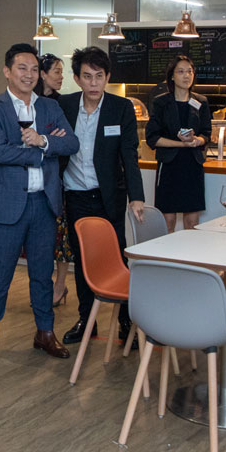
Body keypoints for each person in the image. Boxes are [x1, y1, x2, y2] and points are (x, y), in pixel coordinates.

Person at [0, 43, 79, 366]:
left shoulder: (49, 107)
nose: (29, 75)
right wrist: (45, 151)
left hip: (43, 204)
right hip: (6, 206)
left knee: (42, 274)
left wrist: (43, 140)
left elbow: (71, 143)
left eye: (34, 69)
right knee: (0, 274)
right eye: (22, 68)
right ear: (7, 71)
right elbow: (0, 153)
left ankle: (45, 332)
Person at [57, 47, 146, 346]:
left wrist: (136, 196)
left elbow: (129, 154)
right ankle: (87, 320)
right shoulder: (64, 105)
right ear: (76, 78)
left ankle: (125, 321)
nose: (93, 83)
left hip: (109, 196)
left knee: (116, 256)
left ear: (107, 77)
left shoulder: (120, 108)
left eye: (99, 76)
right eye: (87, 76)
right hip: (75, 196)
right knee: (83, 259)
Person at [145, 55, 212, 234]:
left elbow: (206, 133)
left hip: (192, 165)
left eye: (189, 71)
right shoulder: (161, 102)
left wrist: (197, 140)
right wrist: (181, 144)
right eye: (181, 72)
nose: (186, 76)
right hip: (169, 166)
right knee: (168, 221)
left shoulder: (201, 101)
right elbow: (152, 138)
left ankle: (191, 253)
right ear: (172, 76)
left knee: (192, 222)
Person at [35, 53, 73, 306]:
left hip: (59, 177)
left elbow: (67, 141)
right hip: (36, 177)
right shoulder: (32, 102)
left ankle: (60, 284)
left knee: (61, 237)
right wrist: (50, 140)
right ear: (43, 74)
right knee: (41, 239)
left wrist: (48, 141)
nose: (61, 77)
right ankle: (43, 285)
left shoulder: (64, 104)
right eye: (56, 71)